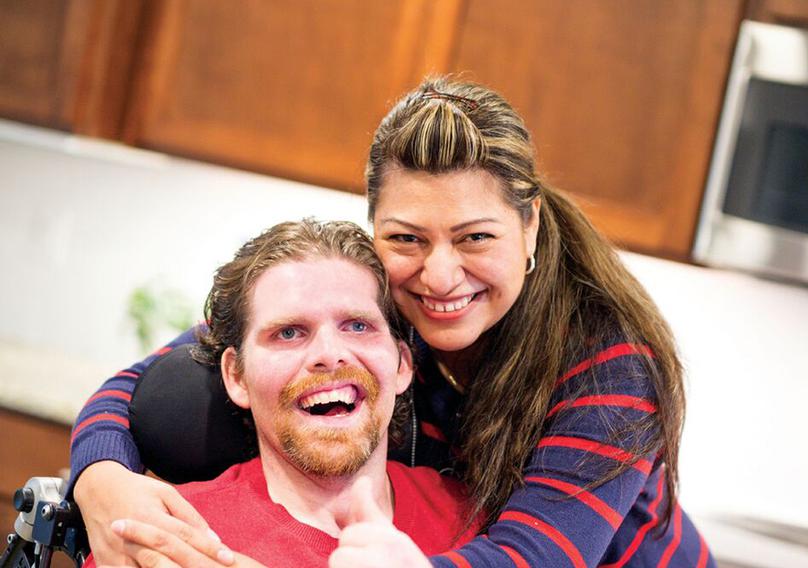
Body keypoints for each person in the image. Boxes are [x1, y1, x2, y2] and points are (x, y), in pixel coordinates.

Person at [71, 78, 715, 567]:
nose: (438, 276)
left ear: (530, 227)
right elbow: (141, 382)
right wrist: (101, 480)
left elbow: (532, 560)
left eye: (474, 237)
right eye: (407, 238)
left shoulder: (610, 365)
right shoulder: (378, 308)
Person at [80, 219, 477, 567]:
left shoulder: (474, 520)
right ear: (237, 376)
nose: (329, 354)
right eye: (288, 332)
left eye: (357, 326)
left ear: (402, 364)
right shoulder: (170, 539)